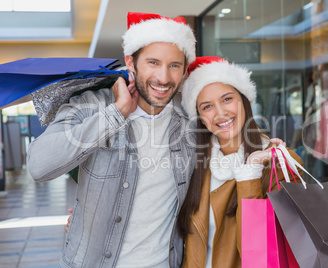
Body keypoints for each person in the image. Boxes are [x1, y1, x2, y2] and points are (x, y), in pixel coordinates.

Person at [27, 12, 196, 268]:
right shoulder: (90, 105)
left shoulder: (190, 122)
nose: (163, 77)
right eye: (152, 62)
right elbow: (39, 166)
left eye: (174, 65)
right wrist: (116, 113)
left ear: (184, 70)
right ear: (131, 62)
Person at [177, 56, 303, 267]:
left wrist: (250, 172)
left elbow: (260, 254)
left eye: (227, 99)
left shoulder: (278, 162)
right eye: (207, 106)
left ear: (244, 100)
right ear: (199, 116)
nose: (220, 113)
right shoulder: (196, 164)